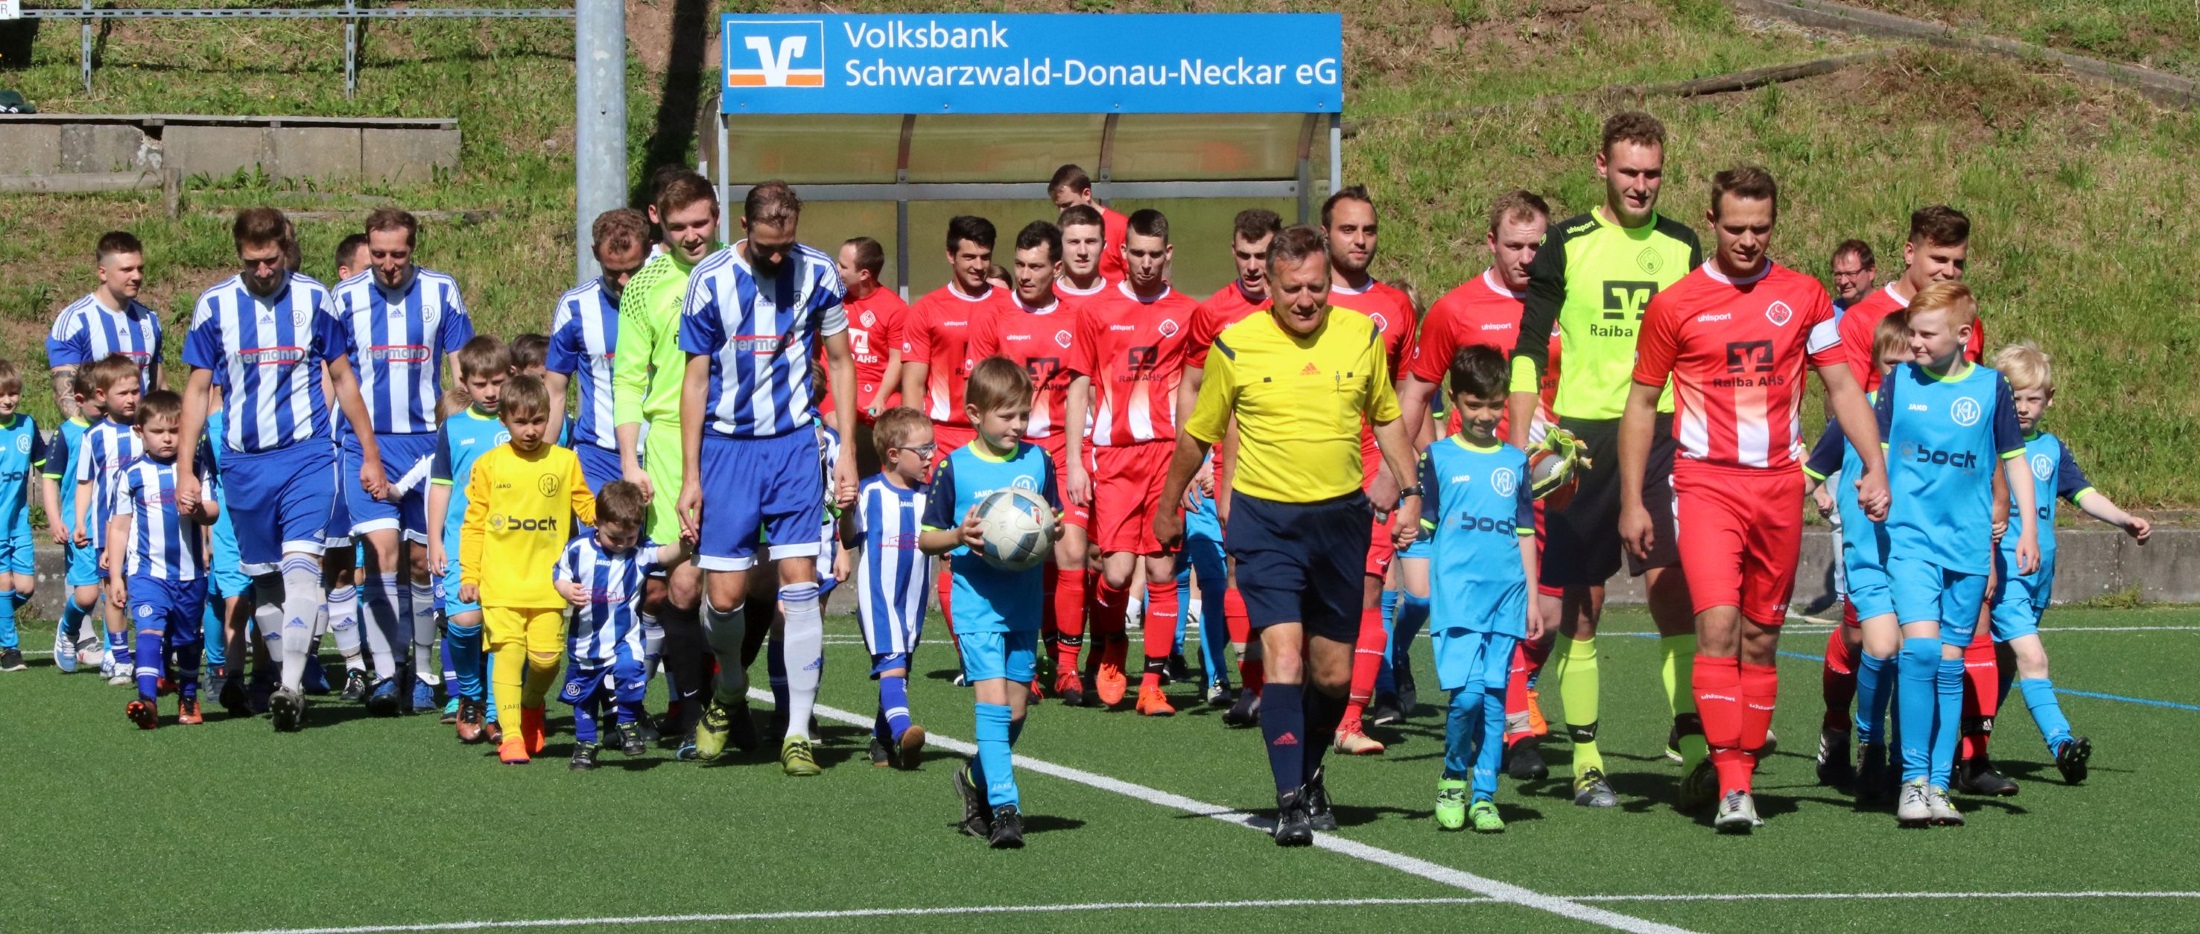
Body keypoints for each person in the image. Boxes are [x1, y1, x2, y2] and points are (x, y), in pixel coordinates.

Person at [1619, 165, 1889, 831]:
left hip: (1777, 489)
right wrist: (1632, 499)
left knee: (1762, 641)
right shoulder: (1675, 303)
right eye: (1735, 228)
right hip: (1705, 484)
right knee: (1715, 625)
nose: (1748, 241)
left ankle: (1740, 761)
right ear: (1711, 222)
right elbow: (1642, 403)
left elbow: (1844, 388)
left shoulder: (1804, 296)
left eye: (1761, 229)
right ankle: (1733, 785)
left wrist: (1874, 464)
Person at [1157, 224, 1421, 847]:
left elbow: (1387, 419)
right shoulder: (1236, 345)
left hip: (1341, 523)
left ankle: (1309, 772)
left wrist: (1410, 494)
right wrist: (1168, 505)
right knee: (1282, 654)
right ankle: (1289, 802)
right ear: (1268, 285)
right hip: (1265, 522)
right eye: (1293, 288)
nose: (1306, 300)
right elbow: (1199, 433)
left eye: (1317, 287)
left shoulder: (1361, 336)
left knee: (1332, 677)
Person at [1507, 111, 1704, 807]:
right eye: (1629, 172)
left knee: (1674, 590)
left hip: (1667, 429)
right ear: (1602, 167)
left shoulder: (1685, 243)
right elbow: (1530, 345)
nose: (1641, 185)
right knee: (1582, 610)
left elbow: (1703, 345)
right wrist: (1527, 438)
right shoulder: (1567, 242)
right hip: (1586, 436)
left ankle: (1696, 751)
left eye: (1652, 173)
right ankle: (1587, 760)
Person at [673, 180, 858, 776]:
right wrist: (691, 476)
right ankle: (729, 688)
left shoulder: (821, 272)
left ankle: (797, 732)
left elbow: (841, 361)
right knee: (723, 597)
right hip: (728, 450)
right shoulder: (710, 281)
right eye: (767, 245)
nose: (779, 255)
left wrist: (847, 450)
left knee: (800, 587)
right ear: (744, 227)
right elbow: (695, 382)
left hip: (795, 448)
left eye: (788, 243)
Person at [179, 207, 374, 732]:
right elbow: (197, 391)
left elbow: (344, 377)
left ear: (284, 250)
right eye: (253, 262)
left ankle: (290, 686)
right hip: (243, 462)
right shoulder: (214, 306)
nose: (264, 271)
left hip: (307, 454)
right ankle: (283, 676)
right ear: (239, 255)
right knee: (264, 582)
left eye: (271, 260)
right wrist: (185, 467)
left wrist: (368, 451)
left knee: (302, 565)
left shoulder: (315, 298)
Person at [1395, 190, 1559, 774]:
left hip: (1557, 480)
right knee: (1497, 600)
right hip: (1484, 484)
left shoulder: (1566, 301)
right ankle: (1515, 726)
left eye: (1537, 246)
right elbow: (1416, 391)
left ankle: (1517, 692)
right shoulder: (1456, 308)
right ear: (1491, 242)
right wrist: (1399, 475)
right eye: (1513, 245)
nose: (1525, 257)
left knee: (1555, 615)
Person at [1874, 281, 2037, 828]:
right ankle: (1913, 780)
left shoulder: (1991, 389)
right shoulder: (1899, 384)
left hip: (1968, 549)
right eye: (1912, 332)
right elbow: (1875, 447)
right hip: (1911, 540)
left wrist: (2027, 530)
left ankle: (1941, 785)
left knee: (1950, 665)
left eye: (1925, 334)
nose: (1914, 343)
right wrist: (1870, 482)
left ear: (1963, 336)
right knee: (1920, 653)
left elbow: (2014, 460)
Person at [327, 208, 476, 715]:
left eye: (399, 254)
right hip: (365, 442)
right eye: (380, 254)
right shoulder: (343, 298)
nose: (389, 264)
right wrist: (337, 438)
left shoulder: (441, 291)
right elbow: (334, 374)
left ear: (414, 248)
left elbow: (461, 371)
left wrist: (461, 431)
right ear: (367, 248)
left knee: (421, 562)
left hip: (424, 442)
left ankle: (423, 668)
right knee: (382, 553)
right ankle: (387, 674)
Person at [1986, 341, 2149, 784]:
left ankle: (1971, 750)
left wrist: (2123, 519)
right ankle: (2061, 743)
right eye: (2013, 397)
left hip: (2042, 571)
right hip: (2004, 570)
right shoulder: (1988, 445)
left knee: (2002, 664)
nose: (2022, 407)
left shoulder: (2052, 449)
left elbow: (2082, 493)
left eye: (2032, 398)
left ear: (2049, 399)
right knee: (2032, 658)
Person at [925, 357, 1064, 849]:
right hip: (976, 602)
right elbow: (926, 539)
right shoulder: (953, 466)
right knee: (992, 704)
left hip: (1023, 603)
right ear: (974, 414)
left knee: (1018, 709)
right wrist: (957, 535)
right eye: (1007, 417)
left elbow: (1054, 517)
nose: (1018, 426)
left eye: (1024, 415)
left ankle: (974, 777)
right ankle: (1007, 807)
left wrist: (1051, 530)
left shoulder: (1038, 461)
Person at [1065, 208, 1199, 716]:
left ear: (1168, 255)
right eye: (1136, 253)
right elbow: (1078, 386)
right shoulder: (1095, 310)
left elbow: (1197, 390)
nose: (1145, 263)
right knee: (1117, 572)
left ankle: (1153, 682)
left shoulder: (1189, 312)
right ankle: (1112, 644)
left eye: (1154, 254)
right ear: (1123, 254)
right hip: (1114, 455)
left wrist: (1199, 458)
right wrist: (1077, 460)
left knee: (1163, 568)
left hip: (1167, 455)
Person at [611, 170, 723, 755]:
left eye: (700, 222)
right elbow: (628, 378)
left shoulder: (739, 272)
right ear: (657, 219)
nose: (691, 235)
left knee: (741, 581)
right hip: (668, 447)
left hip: (736, 440)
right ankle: (690, 704)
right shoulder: (643, 286)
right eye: (678, 225)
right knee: (680, 583)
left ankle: (741, 700)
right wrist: (631, 461)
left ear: (718, 215)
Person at [1419, 345, 1544, 833]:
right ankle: (1453, 778)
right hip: (1457, 597)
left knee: (1496, 701)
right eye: (1475, 405)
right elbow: (1424, 525)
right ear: (1455, 401)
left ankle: (1485, 794)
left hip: (1507, 595)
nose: (1485, 415)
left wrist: (1533, 597)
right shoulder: (1439, 457)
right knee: (1467, 698)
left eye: (1495, 405)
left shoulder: (1515, 462)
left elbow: (1525, 534)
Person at [1317, 186, 1420, 753]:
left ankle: (1350, 721)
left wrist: (1401, 477)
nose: (1360, 240)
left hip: (1370, 468)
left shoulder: (1395, 307)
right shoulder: (1302, 297)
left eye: (1369, 230)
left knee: (1368, 589)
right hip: (1308, 468)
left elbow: (1409, 396)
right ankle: (1312, 700)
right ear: (1326, 233)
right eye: (1348, 230)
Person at [967, 221, 1086, 701]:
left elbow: (1079, 388)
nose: (1025, 274)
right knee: (1016, 555)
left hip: (1058, 447)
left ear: (1056, 268)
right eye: (1018, 265)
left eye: (1036, 266)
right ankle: (1023, 664)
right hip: (1008, 451)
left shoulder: (1076, 317)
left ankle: (1068, 667)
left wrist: (1075, 460)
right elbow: (978, 389)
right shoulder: (993, 316)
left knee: (1071, 551)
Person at [1803, 313, 1916, 804]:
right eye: (1891, 365)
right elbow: (1808, 473)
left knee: (1912, 652)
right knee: (1860, 642)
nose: (1900, 375)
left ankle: (1897, 758)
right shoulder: (1857, 415)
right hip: (1868, 554)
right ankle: (1838, 726)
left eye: (1910, 363)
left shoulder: (1933, 416)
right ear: (1877, 366)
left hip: (1918, 558)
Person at [1177, 208, 1284, 725]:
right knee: (1236, 572)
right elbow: (1191, 388)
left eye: (1262, 255)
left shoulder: (1302, 306)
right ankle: (1248, 684)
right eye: (1243, 255)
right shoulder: (1212, 312)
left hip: (1291, 459)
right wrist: (1196, 459)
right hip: (1232, 463)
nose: (1251, 266)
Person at [458, 375, 597, 764]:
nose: (531, 430)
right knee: (507, 654)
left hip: (549, 584)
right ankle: (512, 736)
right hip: (500, 582)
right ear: (504, 420)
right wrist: (470, 574)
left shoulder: (565, 461)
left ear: (549, 416)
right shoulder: (488, 465)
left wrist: (614, 514)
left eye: (538, 421)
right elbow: (474, 524)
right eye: (521, 422)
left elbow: (586, 508)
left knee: (546, 660)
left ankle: (531, 703)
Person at [902, 216, 1013, 669]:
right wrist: (917, 446)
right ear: (950, 256)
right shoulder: (927, 309)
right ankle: (971, 653)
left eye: (985, 257)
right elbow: (914, 384)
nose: (978, 265)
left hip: (997, 437)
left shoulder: (1008, 302)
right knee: (951, 549)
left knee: (1007, 539)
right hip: (946, 438)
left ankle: (1010, 643)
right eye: (969, 256)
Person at [555, 480, 686, 770]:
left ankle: (627, 723)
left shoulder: (638, 553)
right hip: (585, 643)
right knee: (584, 699)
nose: (622, 544)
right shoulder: (578, 549)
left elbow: (665, 554)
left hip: (624, 638)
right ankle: (585, 744)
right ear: (597, 521)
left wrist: (685, 544)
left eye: (629, 537)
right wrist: (566, 590)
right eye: (615, 538)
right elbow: (560, 574)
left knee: (630, 671)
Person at [109, 391, 220, 727]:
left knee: (187, 641)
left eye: (175, 431)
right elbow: (119, 528)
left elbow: (213, 512)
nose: (168, 438)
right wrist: (117, 575)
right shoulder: (130, 475)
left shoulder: (196, 469)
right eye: (158, 432)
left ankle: (188, 696)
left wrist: (199, 509)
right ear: (140, 431)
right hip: (148, 575)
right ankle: (147, 701)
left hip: (190, 576)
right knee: (148, 631)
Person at [427, 336, 514, 742]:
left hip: (512, 546)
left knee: (501, 627)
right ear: (465, 383)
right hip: (464, 543)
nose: (491, 392)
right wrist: (434, 539)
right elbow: (441, 486)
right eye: (482, 384)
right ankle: (470, 695)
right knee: (463, 620)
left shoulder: (520, 421)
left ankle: (496, 713)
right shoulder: (454, 427)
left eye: (498, 382)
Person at [547, 208, 653, 494]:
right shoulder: (575, 307)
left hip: (662, 453)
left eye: (633, 269)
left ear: (649, 249)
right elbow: (555, 394)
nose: (624, 282)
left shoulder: (672, 298)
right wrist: (539, 464)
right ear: (595, 253)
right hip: (599, 457)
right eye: (613, 271)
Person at [852, 407, 935, 768]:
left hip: (913, 599)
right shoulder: (868, 493)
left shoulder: (929, 498)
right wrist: (842, 530)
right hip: (878, 598)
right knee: (893, 667)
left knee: (901, 670)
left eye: (933, 448)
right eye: (923, 450)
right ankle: (903, 732)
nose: (931, 457)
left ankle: (881, 740)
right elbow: (848, 534)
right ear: (893, 454)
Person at [1838, 206, 1980, 391]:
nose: (1949, 272)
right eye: (1939, 259)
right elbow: (1845, 401)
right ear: (1909, 253)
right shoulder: (1860, 319)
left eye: (1958, 263)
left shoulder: (1966, 320)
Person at [71, 354, 144, 685]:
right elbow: (86, 482)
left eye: (135, 391)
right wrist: (81, 521)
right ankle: (118, 655)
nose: (131, 399)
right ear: (101, 395)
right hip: (108, 529)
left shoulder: (149, 429)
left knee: (144, 591)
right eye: (123, 393)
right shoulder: (94, 436)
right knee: (113, 591)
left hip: (148, 529)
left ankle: (148, 655)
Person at [324, 232, 373, 701]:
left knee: (392, 558)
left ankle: (396, 665)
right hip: (341, 450)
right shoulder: (334, 308)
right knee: (337, 562)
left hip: (400, 445)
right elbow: (328, 373)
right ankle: (354, 666)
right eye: (370, 262)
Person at [48, 231, 162, 421]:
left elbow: (157, 383)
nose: (137, 276)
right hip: (95, 437)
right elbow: (64, 392)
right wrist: (91, 436)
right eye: (127, 270)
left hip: (140, 437)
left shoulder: (149, 319)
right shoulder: (76, 319)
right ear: (102, 272)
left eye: (140, 269)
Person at [828, 236, 909, 481]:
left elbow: (897, 359)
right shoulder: (831, 299)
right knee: (832, 421)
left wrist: (881, 397)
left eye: (843, 266)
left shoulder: (895, 308)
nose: (836, 269)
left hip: (877, 391)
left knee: (898, 431)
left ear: (864, 274)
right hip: (840, 390)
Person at [41, 372, 102, 673]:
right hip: (81, 526)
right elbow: (50, 480)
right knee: (88, 594)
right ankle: (68, 629)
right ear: (80, 400)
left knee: (124, 589)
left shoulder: (121, 430)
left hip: (117, 525)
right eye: (99, 406)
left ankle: (119, 653)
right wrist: (54, 520)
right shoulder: (67, 433)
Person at [0, 361, 41, 672]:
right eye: (1, 394)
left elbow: (48, 468)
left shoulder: (27, 425)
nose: (8, 400)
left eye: (13, 393)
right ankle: (10, 649)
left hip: (18, 522)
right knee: (3, 584)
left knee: (25, 588)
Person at [1048, 164, 1129, 281]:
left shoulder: (1121, 227)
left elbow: (1134, 280)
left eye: (1067, 205)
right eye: (1059, 206)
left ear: (1086, 194)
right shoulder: (1064, 229)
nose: (1062, 212)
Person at [1830, 239, 1876, 317]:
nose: (1843, 282)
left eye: (1851, 274)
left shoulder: (1889, 312)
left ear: (1870, 272)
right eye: (1838, 274)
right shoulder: (1828, 314)